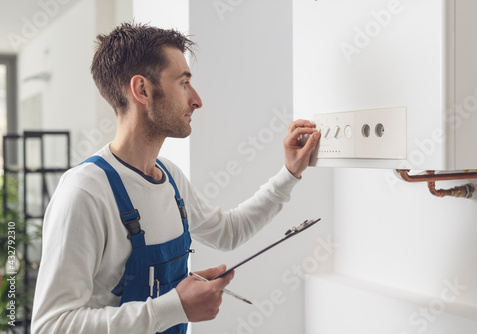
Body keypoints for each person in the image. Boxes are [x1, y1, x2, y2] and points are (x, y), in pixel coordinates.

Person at [31, 22, 319, 334]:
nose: (196, 100)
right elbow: (51, 326)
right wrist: (174, 307)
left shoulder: (169, 177)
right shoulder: (85, 193)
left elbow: (228, 232)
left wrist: (290, 173)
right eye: (183, 84)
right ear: (142, 89)